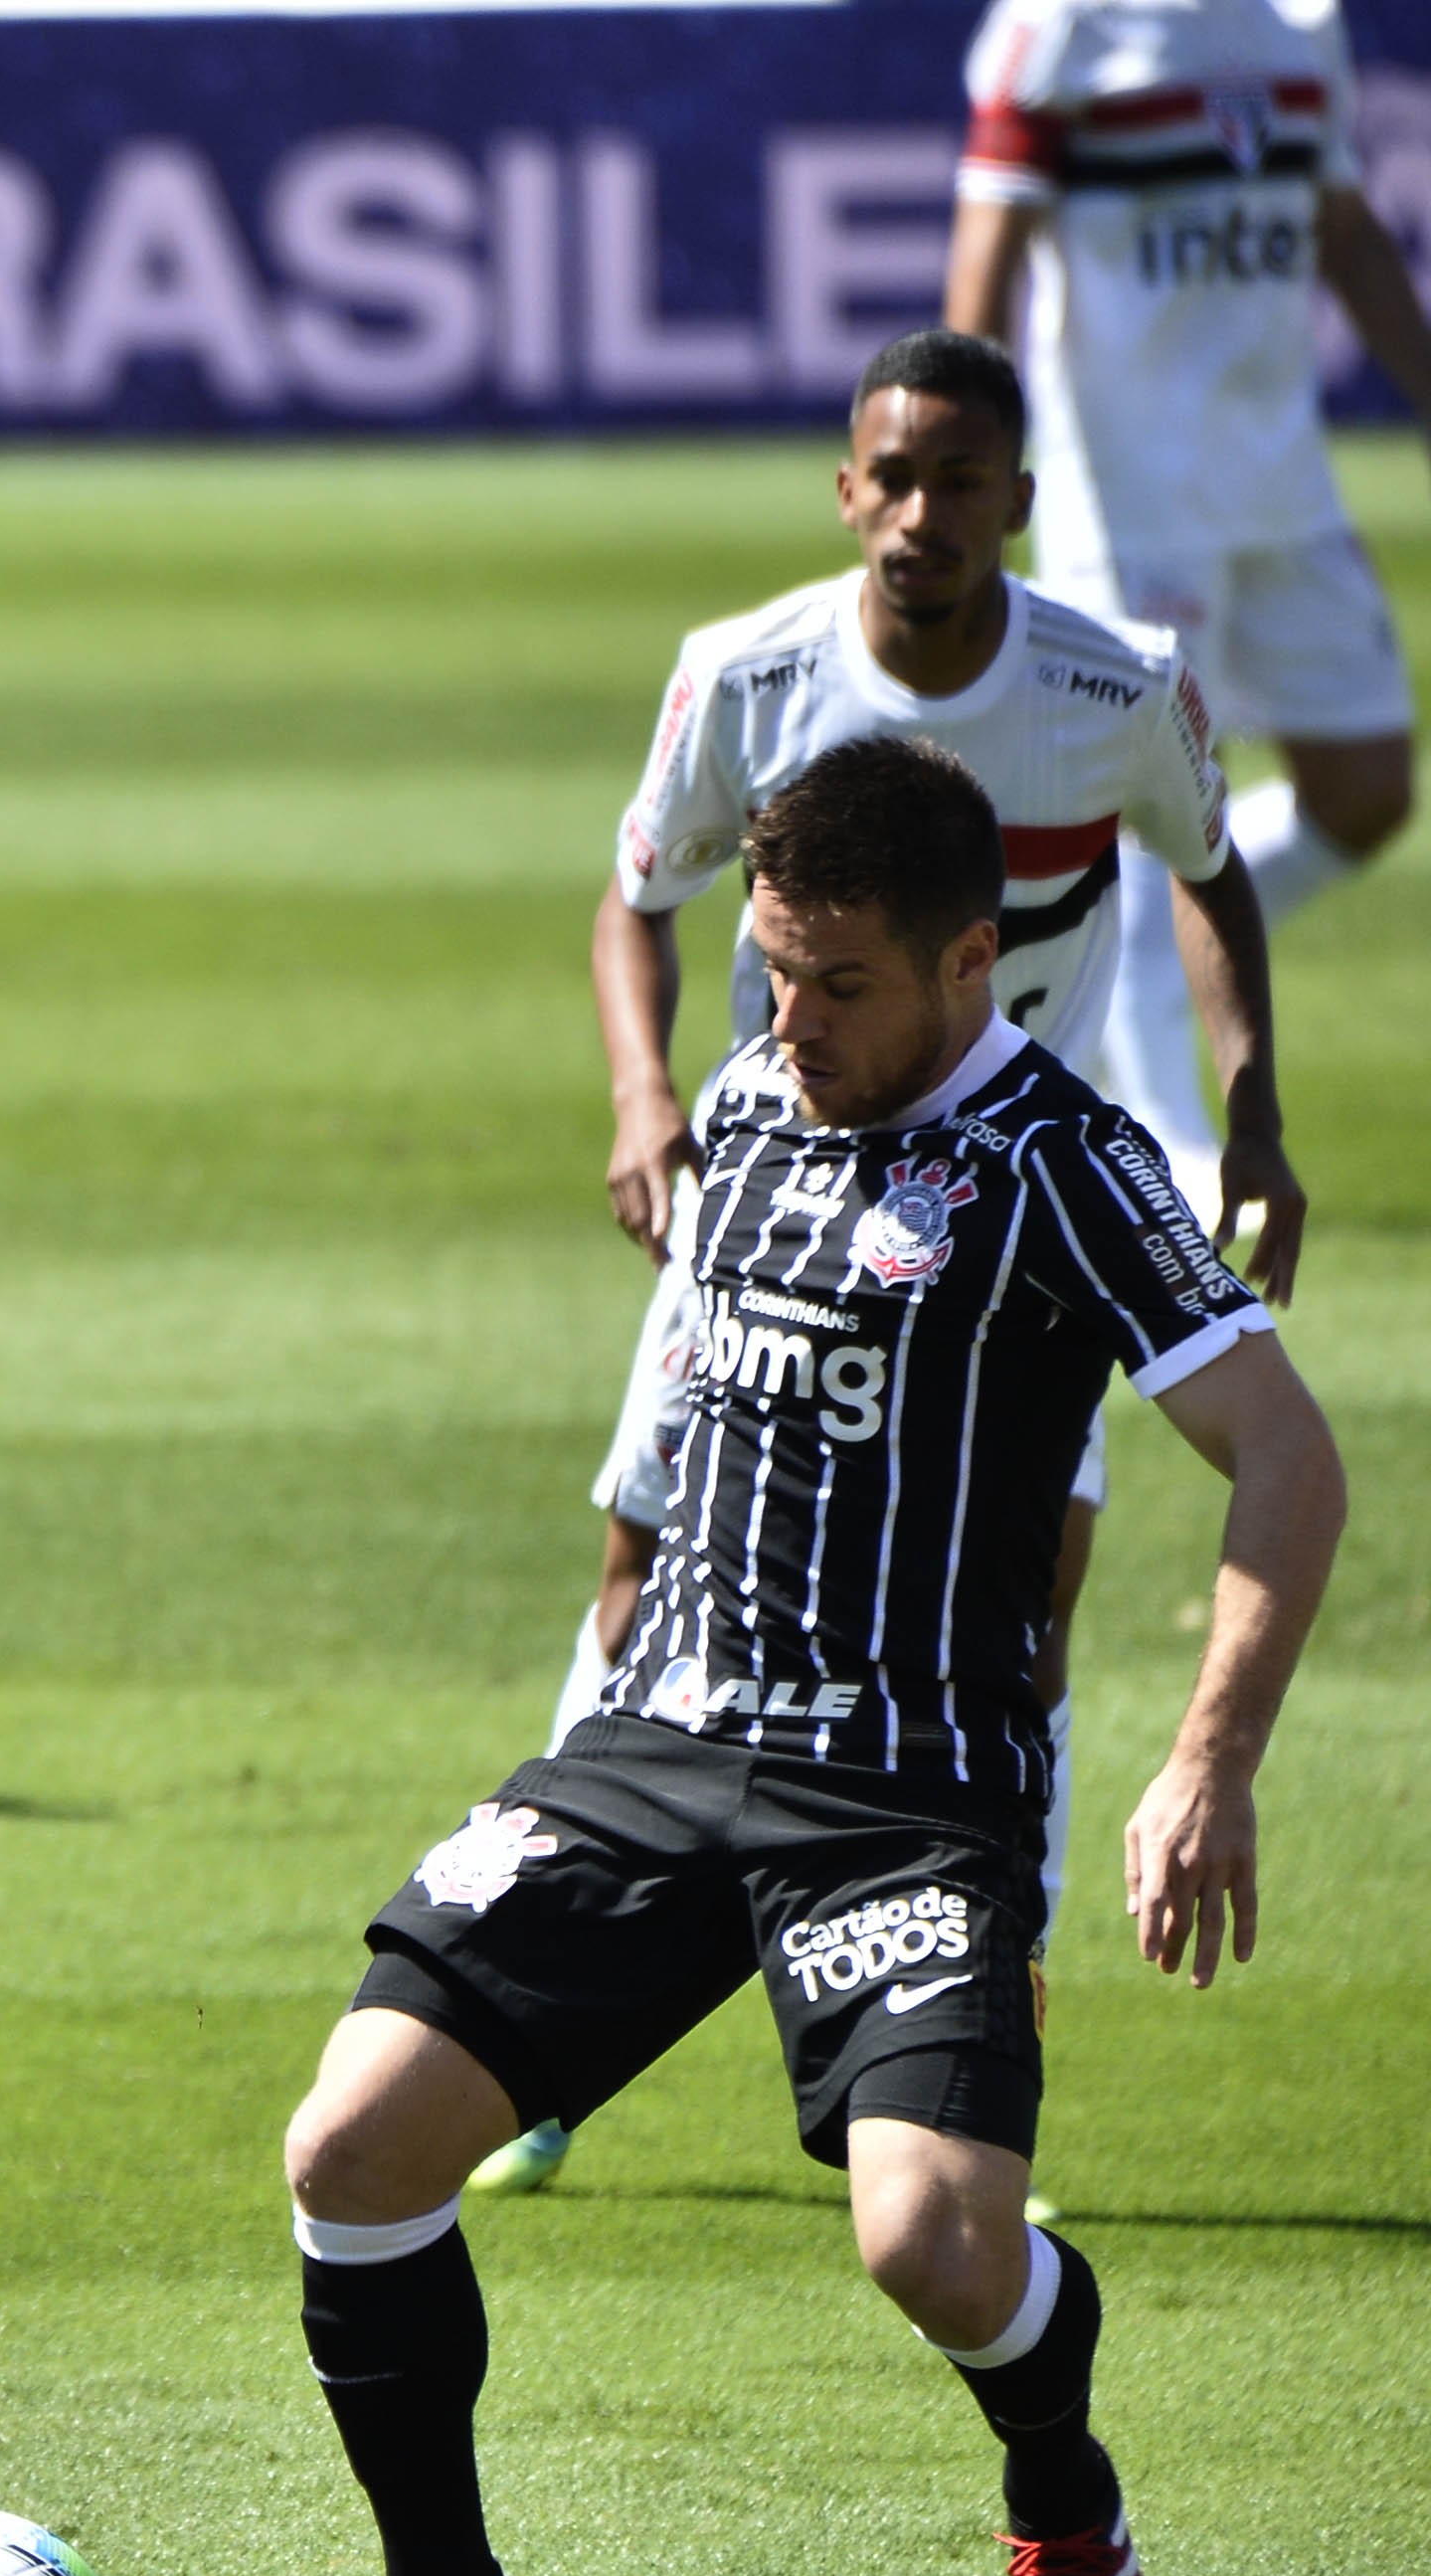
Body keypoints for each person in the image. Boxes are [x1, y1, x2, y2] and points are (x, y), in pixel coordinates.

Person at [275, 738, 1342, 2576]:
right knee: (350, 2145)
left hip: (906, 1792)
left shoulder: (1063, 1158)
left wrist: (1207, 1758)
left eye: (837, 982)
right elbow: (700, 1406)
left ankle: (1060, 2487)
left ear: (966, 963)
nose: (785, 1020)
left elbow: (1286, 1459)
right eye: (767, 970)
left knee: (930, 2245)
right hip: (655, 1745)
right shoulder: (759, 1099)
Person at [479, 328, 1282, 2200]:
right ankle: (541, 2032)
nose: (918, 513)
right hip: (769, 1190)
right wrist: (633, 1096)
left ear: (1016, 497)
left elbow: (1207, 867)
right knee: (639, 1552)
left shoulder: (1115, 688)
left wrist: (1244, 1106)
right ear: (844, 488)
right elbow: (635, 891)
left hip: (997, 1238)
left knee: (1028, 1605)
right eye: (887, 476)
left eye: (956, 480)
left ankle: (975, 2051)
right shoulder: (743, 677)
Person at [949, 0, 1431, 1221]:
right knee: (1152, 792)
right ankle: (1160, 1137)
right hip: (1132, 495)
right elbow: (989, 236)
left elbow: (1341, 231)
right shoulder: (1064, 23)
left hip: (1279, 485)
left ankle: (1145, 946)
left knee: (1366, 788)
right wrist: (966, 456)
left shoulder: (1297, 21)